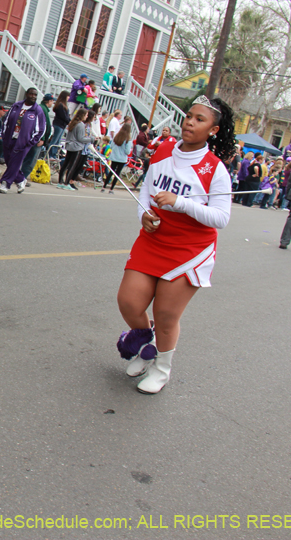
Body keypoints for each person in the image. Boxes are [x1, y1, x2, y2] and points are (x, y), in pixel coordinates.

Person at [115, 95, 236, 394]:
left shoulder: (215, 169)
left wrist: (180, 203)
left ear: (213, 130)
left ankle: (162, 368)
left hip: (189, 249)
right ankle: (147, 346)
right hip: (153, 239)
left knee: (166, 316)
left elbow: (221, 218)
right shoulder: (164, 150)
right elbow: (147, 189)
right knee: (129, 302)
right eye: (189, 116)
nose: (190, 122)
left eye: (199, 119)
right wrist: (144, 214)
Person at [0, 88, 45, 194]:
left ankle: (5, 183)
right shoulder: (16, 106)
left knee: (15, 162)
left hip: (23, 142)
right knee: (9, 162)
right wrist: (4, 135)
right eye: (31, 94)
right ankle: (20, 179)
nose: (33, 96)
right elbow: (6, 120)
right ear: (26, 94)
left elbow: (41, 129)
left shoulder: (37, 110)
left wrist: (31, 141)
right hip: (9, 138)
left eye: (35, 95)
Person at [20, 92, 53, 182]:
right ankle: (22, 178)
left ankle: (21, 177)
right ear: (49, 101)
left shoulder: (41, 108)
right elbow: (42, 125)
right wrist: (42, 138)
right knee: (31, 160)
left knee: (28, 158)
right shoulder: (42, 109)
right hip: (37, 139)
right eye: (52, 101)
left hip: (34, 137)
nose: (52, 103)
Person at [56, 108, 88, 190]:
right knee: (72, 165)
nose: (87, 116)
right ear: (83, 115)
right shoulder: (81, 125)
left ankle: (60, 182)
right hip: (76, 147)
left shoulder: (73, 123)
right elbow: (80, 138)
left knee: (66, 164)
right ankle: (66, 183)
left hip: (69, 145)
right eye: (86, 115)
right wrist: (90, 139)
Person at [102, 120, 133, 194]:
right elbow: (127, 151)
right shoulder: (128, 140)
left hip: (114, 157)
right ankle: (111, 189)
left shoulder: (116, 136)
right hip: (122, 158)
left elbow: (111, 147)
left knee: (111, 172)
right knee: (117, 173)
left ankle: (104, 186)